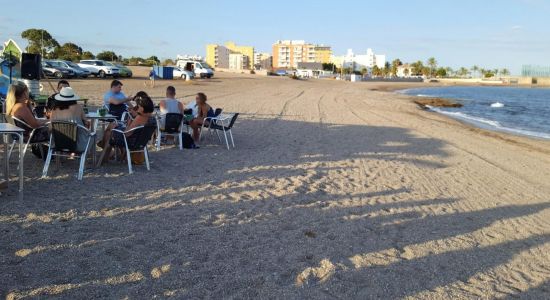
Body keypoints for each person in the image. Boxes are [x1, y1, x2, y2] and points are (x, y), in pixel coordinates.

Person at [97, 92, 155, 166]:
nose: (138, 108)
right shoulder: (151, 118)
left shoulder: (139, 118)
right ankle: (107, 154)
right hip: (141, 142)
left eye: (139, 106)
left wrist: (129, 122)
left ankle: (103, 158)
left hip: (129, 142)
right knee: (112, 127)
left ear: (143, 108)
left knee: (110, 131)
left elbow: (127, 133)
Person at [50, 87, 91, 152]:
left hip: (57, 144)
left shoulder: (54, 110)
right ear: (73, 98)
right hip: (78, 145)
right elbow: (86, 123)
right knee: (93, 135)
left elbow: (50, 128)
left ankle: (59, 160)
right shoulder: (78, 107)